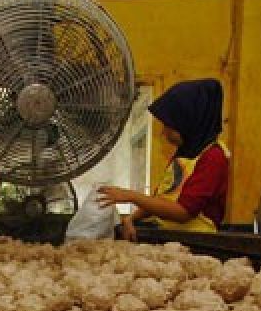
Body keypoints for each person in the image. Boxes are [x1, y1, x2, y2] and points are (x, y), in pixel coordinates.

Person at [97, 79, 230, 239]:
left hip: (199, 244)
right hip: (172, 237)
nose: (164, 133)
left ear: (187, 122)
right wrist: (132, 218)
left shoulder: (213, 158)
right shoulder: (185, 153)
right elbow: (162, 200)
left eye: (168, 125)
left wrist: (131, 196)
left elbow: (183, 212)